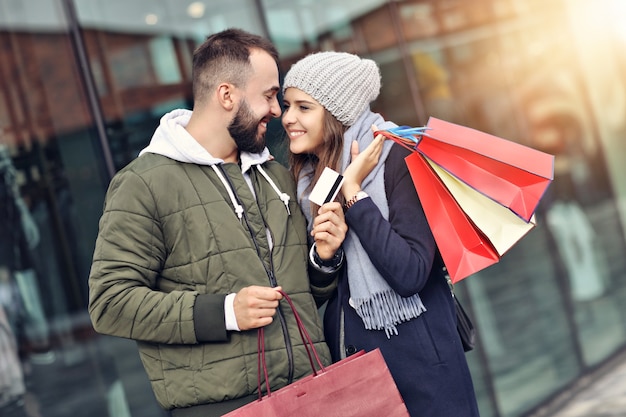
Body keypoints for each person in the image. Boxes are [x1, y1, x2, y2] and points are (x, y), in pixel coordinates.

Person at [88, 28, 333, 416]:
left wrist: (324, 260)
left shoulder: (275, 177)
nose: (276, 110)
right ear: (226, 95)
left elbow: (299, 300)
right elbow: (109, 303)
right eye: (269, 95)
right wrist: (224, 312)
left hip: (310, 396)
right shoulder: (144, 184)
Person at [282, 51, 480, 417]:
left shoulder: (397, 160)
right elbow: (311, 286)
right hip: (357, 368)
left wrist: (354, 193)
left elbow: (410, 273)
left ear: (337, 110)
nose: (288, 118)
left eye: (303, 107)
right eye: (286, 105)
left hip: (423, 369)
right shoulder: (311, 181)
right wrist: (325, 256)